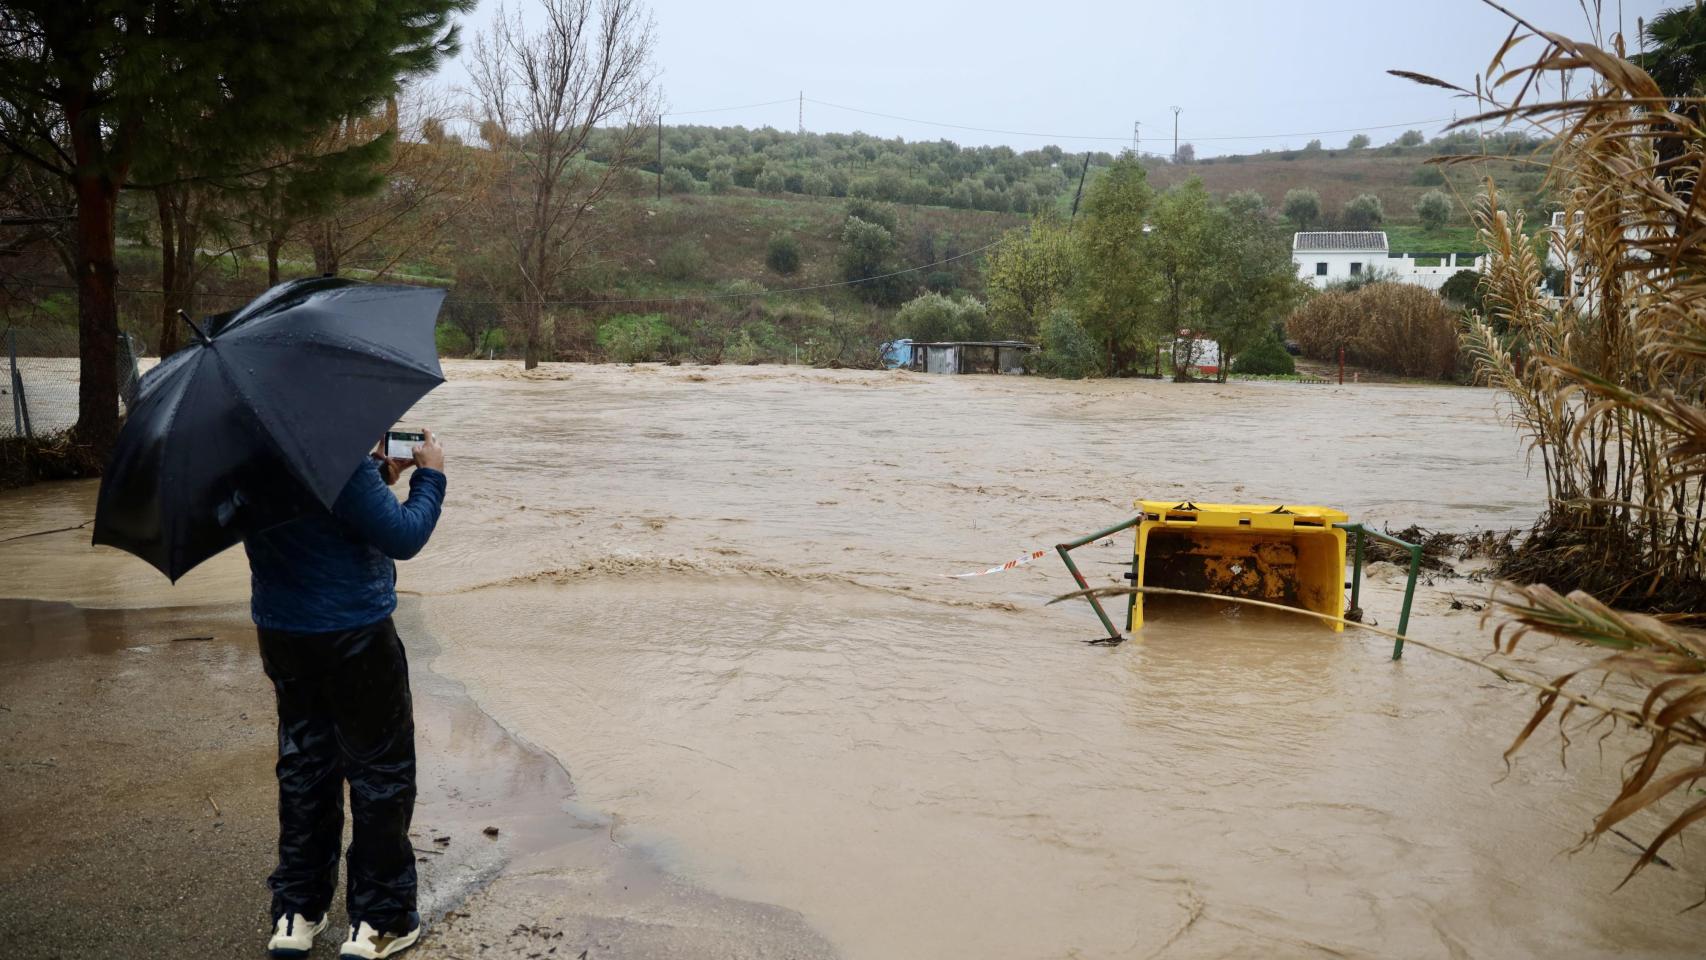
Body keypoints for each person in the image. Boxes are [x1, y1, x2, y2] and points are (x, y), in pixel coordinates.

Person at [244, 430, 446, 960]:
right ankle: (380, 921)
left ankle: (296, 913)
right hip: (354, 632)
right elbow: (405, 535)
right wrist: (430, 474)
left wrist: (376, 478)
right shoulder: (331, 449)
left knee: (305, 764)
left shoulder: (242, 451)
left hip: (283, 632)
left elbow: (307, 512)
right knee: (381, 773)